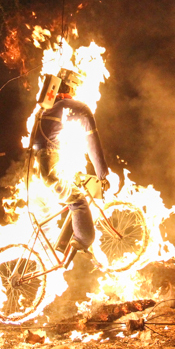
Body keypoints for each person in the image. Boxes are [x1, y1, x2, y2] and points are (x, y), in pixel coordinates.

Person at [31, 68, 110, 252]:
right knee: (79, 201)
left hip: (34, 173)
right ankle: (81, 243)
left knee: (51, 215)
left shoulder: (44, 110)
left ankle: (55, 253)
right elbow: (92, 140)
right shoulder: (78, 108)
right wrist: (102, 174)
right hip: (49, 171)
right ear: (73, 86)